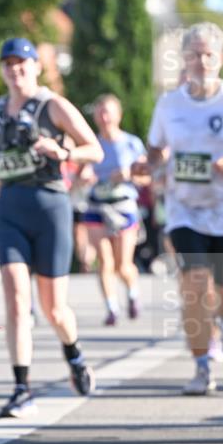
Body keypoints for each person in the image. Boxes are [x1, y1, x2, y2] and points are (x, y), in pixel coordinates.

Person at [135, 22, 223, 396]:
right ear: (184, 59)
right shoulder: (169, 104)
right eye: (194, 55)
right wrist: (148, 164)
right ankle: (202, 366)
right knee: (194, 286)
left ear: (220, 59)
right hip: (184, 209)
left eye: (208, 55)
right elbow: (156, 150)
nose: (201, 62)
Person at [0, 37, 103, 418]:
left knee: (54, 308)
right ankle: (21, 388)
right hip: (10, 209)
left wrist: (63, 152)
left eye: (22, 63)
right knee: (16, 299)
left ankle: (74, 355)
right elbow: (6, 157)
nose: (15, 70)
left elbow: (94, 149)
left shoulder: (54, 106)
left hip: (50, 209)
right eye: (8, 64)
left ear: (36, 67)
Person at [81, 94, 148, 325]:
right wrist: (84, 177)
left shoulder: (131, 143)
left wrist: (129, 175)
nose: (103, 117)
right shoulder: (91, 144)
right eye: (99, 112)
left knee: (122, 266)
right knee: (104, 261)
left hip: (123, 206)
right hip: (96, 205)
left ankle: (133, 293)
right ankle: (111, 308)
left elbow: (147, 177)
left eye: (107, 112)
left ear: (118, 115)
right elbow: (79, 176)